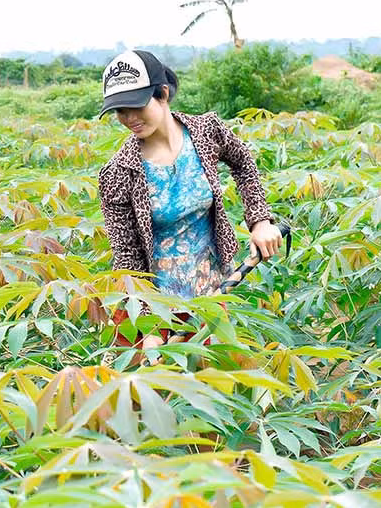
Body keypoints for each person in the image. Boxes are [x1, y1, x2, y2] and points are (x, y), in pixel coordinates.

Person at [97, 50, 282, 350]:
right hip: (149, 308)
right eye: (119, 111)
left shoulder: (206, 132)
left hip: (210, 294)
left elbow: (244, 163)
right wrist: (150, 326)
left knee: (210, 389)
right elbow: (127, 259)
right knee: (145, 393)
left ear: (163, 94)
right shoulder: (117, 173)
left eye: (135, 106)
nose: (129, 118)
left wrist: (260, 220)